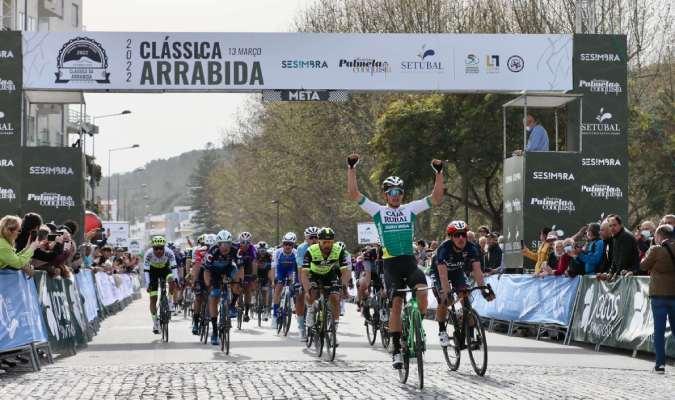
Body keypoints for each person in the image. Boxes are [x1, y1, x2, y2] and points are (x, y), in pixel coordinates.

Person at [346, 153, 444, 369]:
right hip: (390, 264)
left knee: (422, 294)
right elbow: (354, 194)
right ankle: (397, 349)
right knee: (396, 305)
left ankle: (415, 325)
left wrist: (439, 173)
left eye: (399, 192)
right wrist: (352, 168)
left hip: (409, 262)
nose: (396, 195)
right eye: (392, 192)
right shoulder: (378, 211)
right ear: (386, 194)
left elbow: (436, 198)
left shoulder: (410, 209)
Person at [432, 221, 494, 348]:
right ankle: (442, 330)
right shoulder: (444, 249)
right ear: (451, 237)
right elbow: (443, 276)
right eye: (457, 235)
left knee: (466, 300)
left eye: (463, 235)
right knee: (444, 299)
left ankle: (470, 336)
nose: (461, 238)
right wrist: (447, 292)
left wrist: (483, 289)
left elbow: (477, 270)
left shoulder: (471, 248)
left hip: (457, 272)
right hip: (439, 273)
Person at [301, 227, 350, 341]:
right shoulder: (311, 251)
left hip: (329, 274)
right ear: (319, 241)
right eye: (324, 242)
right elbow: (304, 274)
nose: (327, 245)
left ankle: (334, 331)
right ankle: (310, 310)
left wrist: (343, 286)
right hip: (314, 274)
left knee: (335, 298)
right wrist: (307, 289)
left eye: (330, 242)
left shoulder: (338, 250)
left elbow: (345, 272)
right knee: (312, 294)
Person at [639, 224, 675, 374]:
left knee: (659, 331)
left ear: (659, 236)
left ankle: (659, 365)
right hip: (674, 295)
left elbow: (642, 265)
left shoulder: (655, 249)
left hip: (659, 295)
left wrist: (650, 249)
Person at [203, 230, 241, 345]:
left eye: (227, 244)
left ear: (231, 243)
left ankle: (232, 306)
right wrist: (208, 284)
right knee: (214, 296)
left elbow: (241, 267)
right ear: (218, 244)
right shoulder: (211, 252)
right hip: (213, 272)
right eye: (222, 244)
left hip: (228, 269)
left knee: (237, 284)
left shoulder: (236, 249)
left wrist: (239, 282)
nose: (224, 247)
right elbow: (206, 270)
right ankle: (214, 331)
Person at [143, 235, 178, 334]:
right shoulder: (148, 254)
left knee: (172, 279)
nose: (159, 251)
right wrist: (148, 284)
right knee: (153, 298)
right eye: (156, 248)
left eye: (161, 248)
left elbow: (174, 267)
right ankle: (155, 323)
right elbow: (146, 271)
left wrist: (176, 280)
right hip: (153, 272)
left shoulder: (169, 252)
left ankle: (170, 302)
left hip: (165, 269)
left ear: (164, 247)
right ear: (153, 248)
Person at [294, 227, 319, 337]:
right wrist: (302, 284)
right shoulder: (301, 248)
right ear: (306, 238)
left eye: (316, 237)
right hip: (303, 271)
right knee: (300, 295)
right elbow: (300, 269)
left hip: (318, 271)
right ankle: (301, 328)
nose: (314, 240)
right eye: (311, 238)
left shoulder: (322, 246)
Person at [190, 234, 215, 335]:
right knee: (198, 298)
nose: (209, 248)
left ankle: (211, 314)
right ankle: (196, 322)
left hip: (213, 275)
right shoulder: (200, 251)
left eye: (212, 246)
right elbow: (197, 267)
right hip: (201, 275)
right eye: (207, 245)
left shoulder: (218, 251)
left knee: (213, 296)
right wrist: (194, 281)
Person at [236, 231, 258, 323]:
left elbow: (254, 263)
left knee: (248, 289)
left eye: (247, 242)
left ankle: (246, 312)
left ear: (250, 242)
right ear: (239, 242)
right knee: (237, 286)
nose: (245, 245)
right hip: (238, 267)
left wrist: (254, 275)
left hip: (248, 267)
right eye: (243, 242)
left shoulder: (252, 249)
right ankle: (237, 302)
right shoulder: (236, 247)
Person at [255, 241, 273, 322]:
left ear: (266, 250)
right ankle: (254, 302)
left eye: (264, 250)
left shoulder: (269, 256)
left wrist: (271, 279)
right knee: (255, 288)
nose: (262, 252)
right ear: (258, 250)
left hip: (266, 275)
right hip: (257, 274)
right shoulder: (255, 256)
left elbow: (272, 268)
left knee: (265, 292)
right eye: (260, 250)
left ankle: (265, 310)